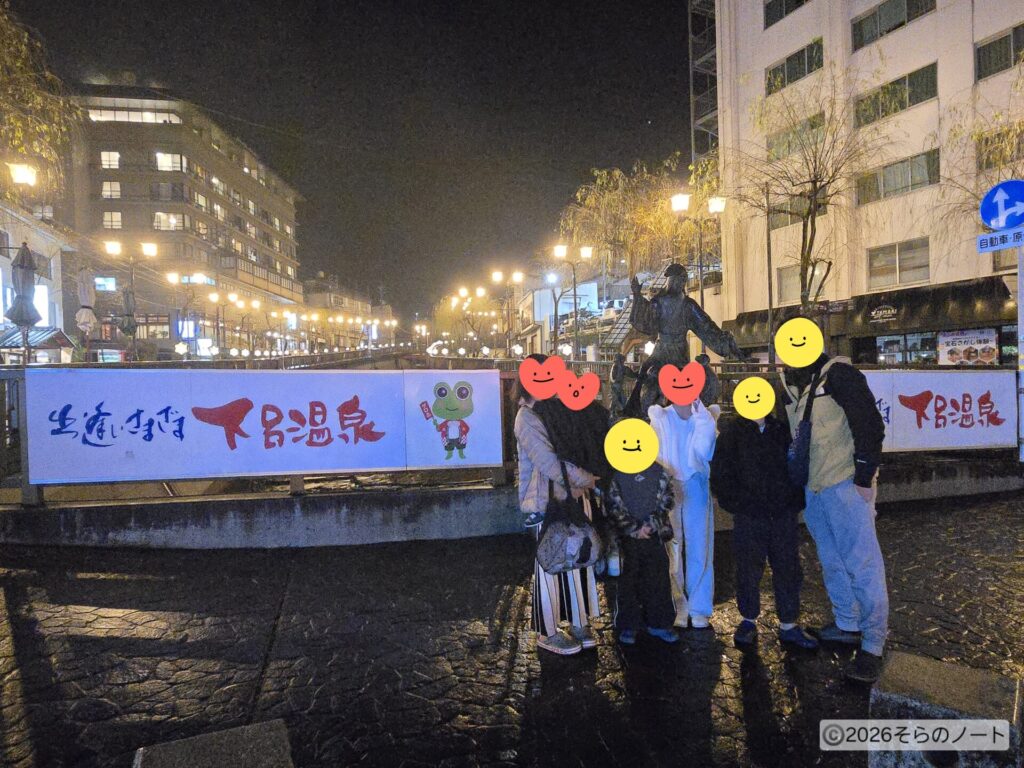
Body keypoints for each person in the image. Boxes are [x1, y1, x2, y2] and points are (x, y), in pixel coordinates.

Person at [781, 351, 887, 683]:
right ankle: (847, 623)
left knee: (862, 563)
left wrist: (864, 476)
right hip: (815, 489)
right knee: (832, 560)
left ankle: (873, 644)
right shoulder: (794, 381)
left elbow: (869, 425)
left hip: (845, 484)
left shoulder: (839, 374)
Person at [514, 354, 610, 656]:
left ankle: (579, 622)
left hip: (575, 496)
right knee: (550, 564)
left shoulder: (558, 409)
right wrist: (588, 478)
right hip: (546, 502)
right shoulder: (527, 417)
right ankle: (548, 631)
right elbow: (549, 463)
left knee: (578, 559)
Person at [710, 408, 818, 651]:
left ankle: (789, 623)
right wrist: (738, 504)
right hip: (749, 515)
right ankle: (748, 620)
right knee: (748, 568)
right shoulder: (732, 433)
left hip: (782, 514)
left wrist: (792, 501)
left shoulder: (781, 430)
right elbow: (721, 473)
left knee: (788, 567)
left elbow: (796, 464)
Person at [648, 397, 717, 629]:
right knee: (672, 546)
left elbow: (706, 452)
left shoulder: (704, 415)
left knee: (701, 545)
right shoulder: (660, 416)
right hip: (668, 485)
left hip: (696, 483)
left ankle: (699, 607)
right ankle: (678, 604)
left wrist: (702, 417)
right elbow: (653, 453)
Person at [606, 459, 679, 645]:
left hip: (654, 536)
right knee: (627, 581)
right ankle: (629, 625)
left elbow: (668, 499)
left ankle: (659, 623)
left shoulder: (660, 471)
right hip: (626, 539)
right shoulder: (615, 473)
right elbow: (612, 505)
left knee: (658, 579)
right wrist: (634, 528)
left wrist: (652, 524)